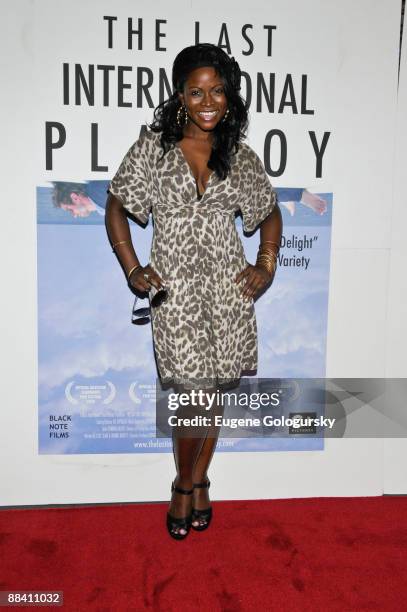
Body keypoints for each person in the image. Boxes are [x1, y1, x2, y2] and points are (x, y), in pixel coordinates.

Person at [104, 43, 283, 540]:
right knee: (193, 399)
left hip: (229, 294)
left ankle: (199, 481)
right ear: (180, 95)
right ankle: (184, 485)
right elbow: (116, 207)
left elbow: (269, 213)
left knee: (218, 391)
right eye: (197, 90)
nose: (209, 101)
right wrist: (133, 268)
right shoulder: (153, 150)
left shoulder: (240, 157)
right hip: (175, 297)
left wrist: (264, 264)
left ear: (228, 95)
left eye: (218, 90)